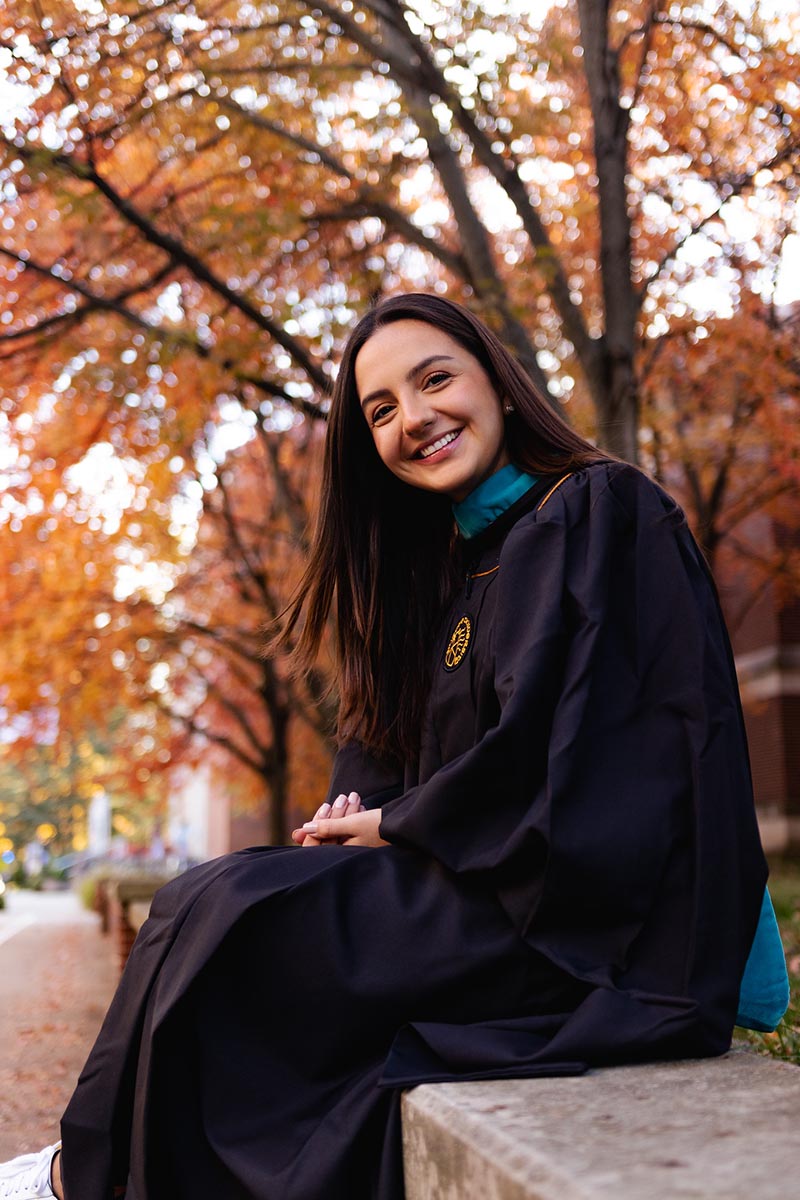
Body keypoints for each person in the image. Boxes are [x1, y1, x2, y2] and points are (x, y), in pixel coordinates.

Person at [0, 293, 785, 1200]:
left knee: (235, 917)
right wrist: (352, 819)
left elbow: (582, 754)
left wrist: (402, 826)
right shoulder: (441, 575)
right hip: (483, 893)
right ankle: (81, 1174)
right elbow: (385, 756)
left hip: (591, 928)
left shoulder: (600, 510)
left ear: (494, 376)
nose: (416, 419)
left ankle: (74, 1182)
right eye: (381, 410)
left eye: (434, 379)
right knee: (202, 903)